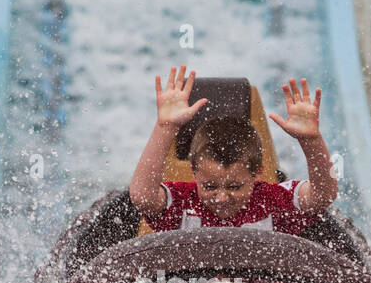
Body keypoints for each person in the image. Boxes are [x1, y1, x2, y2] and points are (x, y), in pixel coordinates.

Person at [128, 66, 338, 233]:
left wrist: (311, 141)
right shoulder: (183, 204)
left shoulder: (272, 202)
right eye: (210, 186)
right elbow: (142, 197)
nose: (221, 197)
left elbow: (322, 196)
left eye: (234, 186)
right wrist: (165, 128)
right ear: (194, 173)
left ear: (258, 173)